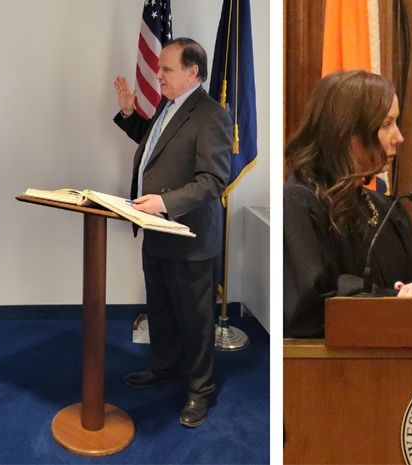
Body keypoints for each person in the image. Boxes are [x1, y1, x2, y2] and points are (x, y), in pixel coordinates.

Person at [110, 37, 231, 428]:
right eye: (159, 67)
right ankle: (164, 368)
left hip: (189, 235)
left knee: (195, 321)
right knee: (160, 308)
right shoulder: (170, 106)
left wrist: (164, 204)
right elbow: (159, 152)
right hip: (156, 231)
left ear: (192, 72)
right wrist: (130, 115)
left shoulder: (211, 114)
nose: (157, 74)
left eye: (166, 69)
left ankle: (200, 391)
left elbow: (213, 180)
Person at [284, 70, 412, 338]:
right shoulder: (298, 204)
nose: (399, 137)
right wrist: (393, 302)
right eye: (386, 124)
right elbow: (310, 308)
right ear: (345, 131)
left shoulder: (386, 208)